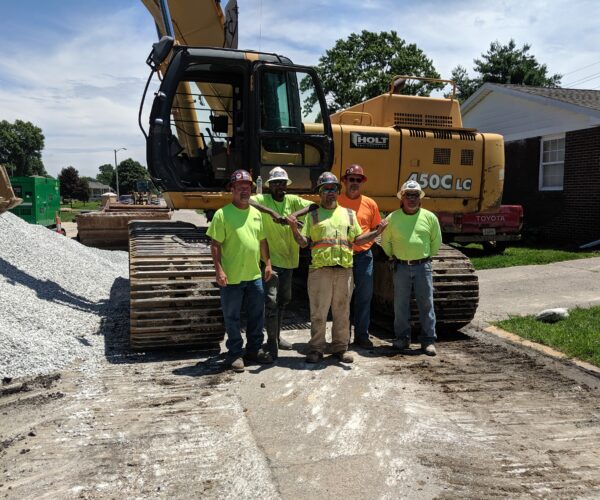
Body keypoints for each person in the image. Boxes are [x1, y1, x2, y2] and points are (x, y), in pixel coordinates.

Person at [287, 172, 387, 364]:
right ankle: (316, 349)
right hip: (320, 271)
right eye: (326, 189)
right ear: (320, 193)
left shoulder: (348, 214)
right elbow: (303, 243)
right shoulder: (313, 215)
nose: (331, 192)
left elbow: (357, 239)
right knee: (318, 312)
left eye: (334, 189)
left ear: (337, 191)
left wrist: (376, 232)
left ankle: (340, 348)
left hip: (344, 271)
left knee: (342, 312)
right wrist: (293, 229)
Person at [206, 169, 274, 372]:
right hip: (232, 277)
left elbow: (262, 241)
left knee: (256, 316)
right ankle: (235, 353)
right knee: (232, 317)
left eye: (248, 187)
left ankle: (253, 350)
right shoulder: (222, 214)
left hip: (254, 276)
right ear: (232, 189)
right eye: (240, 187)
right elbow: (215, 245)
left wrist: (268, 263)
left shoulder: (256, 214)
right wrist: (219, 270)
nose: (245, 191)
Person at [250, 166, 315, 359]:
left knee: (283, 301)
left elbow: (313, 206)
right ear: (270, 186)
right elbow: (249, 201)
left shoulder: (293, 201)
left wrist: (294, 216)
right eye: (277, 183)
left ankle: (277, 337)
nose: (280, 186)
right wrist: (271, 212)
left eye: (283, 183)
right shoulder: (264, 199)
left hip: (289, 261)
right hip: (271, 261)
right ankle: (271, 342)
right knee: (271, 301)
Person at [380, 180, 442, 356]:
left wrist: (425, 256)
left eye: (415, 195)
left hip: (423, 266)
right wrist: (393, 256)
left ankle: (428, 340)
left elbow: (436, 242)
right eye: (408, 195)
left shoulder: (429, 218)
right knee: (400, 304)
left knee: (426, 303)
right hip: (401, 267)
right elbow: (386, 242)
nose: (412, 199)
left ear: (420, 198)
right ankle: (402, 338)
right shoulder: (392, 218)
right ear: (402, 198)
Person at [338, 164, 382, 349]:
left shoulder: (370, 204)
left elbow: (376, 228)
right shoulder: (337, 201)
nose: (354, 183)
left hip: (364, 256)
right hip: (343, 256)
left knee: (364, 297)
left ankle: (362, 336)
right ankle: (343, 337)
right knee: (343, 298)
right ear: (345, 181)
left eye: (358, 180)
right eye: (351, 179)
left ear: (361, 182)